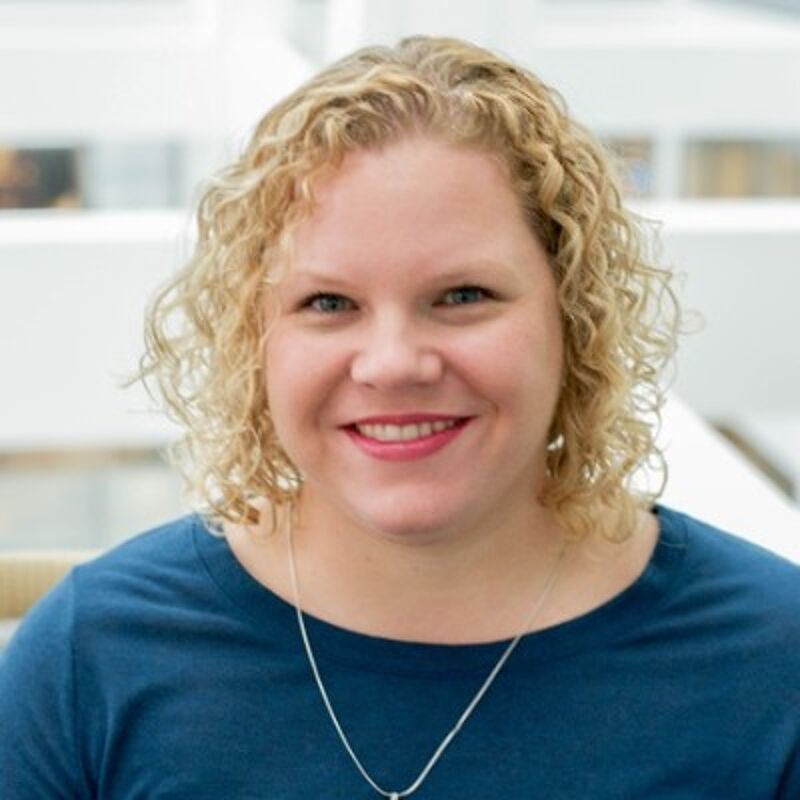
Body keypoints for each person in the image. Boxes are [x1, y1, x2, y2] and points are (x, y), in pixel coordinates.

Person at [1, 35, 798, 799]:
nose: (391, 363)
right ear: (255, 339)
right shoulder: (95, 660)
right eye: (329, 303)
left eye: (462, 296)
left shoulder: (772, 661)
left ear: (574, 315)